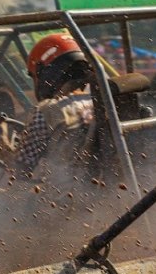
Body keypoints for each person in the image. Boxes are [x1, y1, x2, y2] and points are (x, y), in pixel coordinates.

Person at [15, 32, 97, 183]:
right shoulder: (100, 101)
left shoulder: (48, 110)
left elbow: (22, 166)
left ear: (45, 73)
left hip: (61, 197)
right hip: (103, 188)